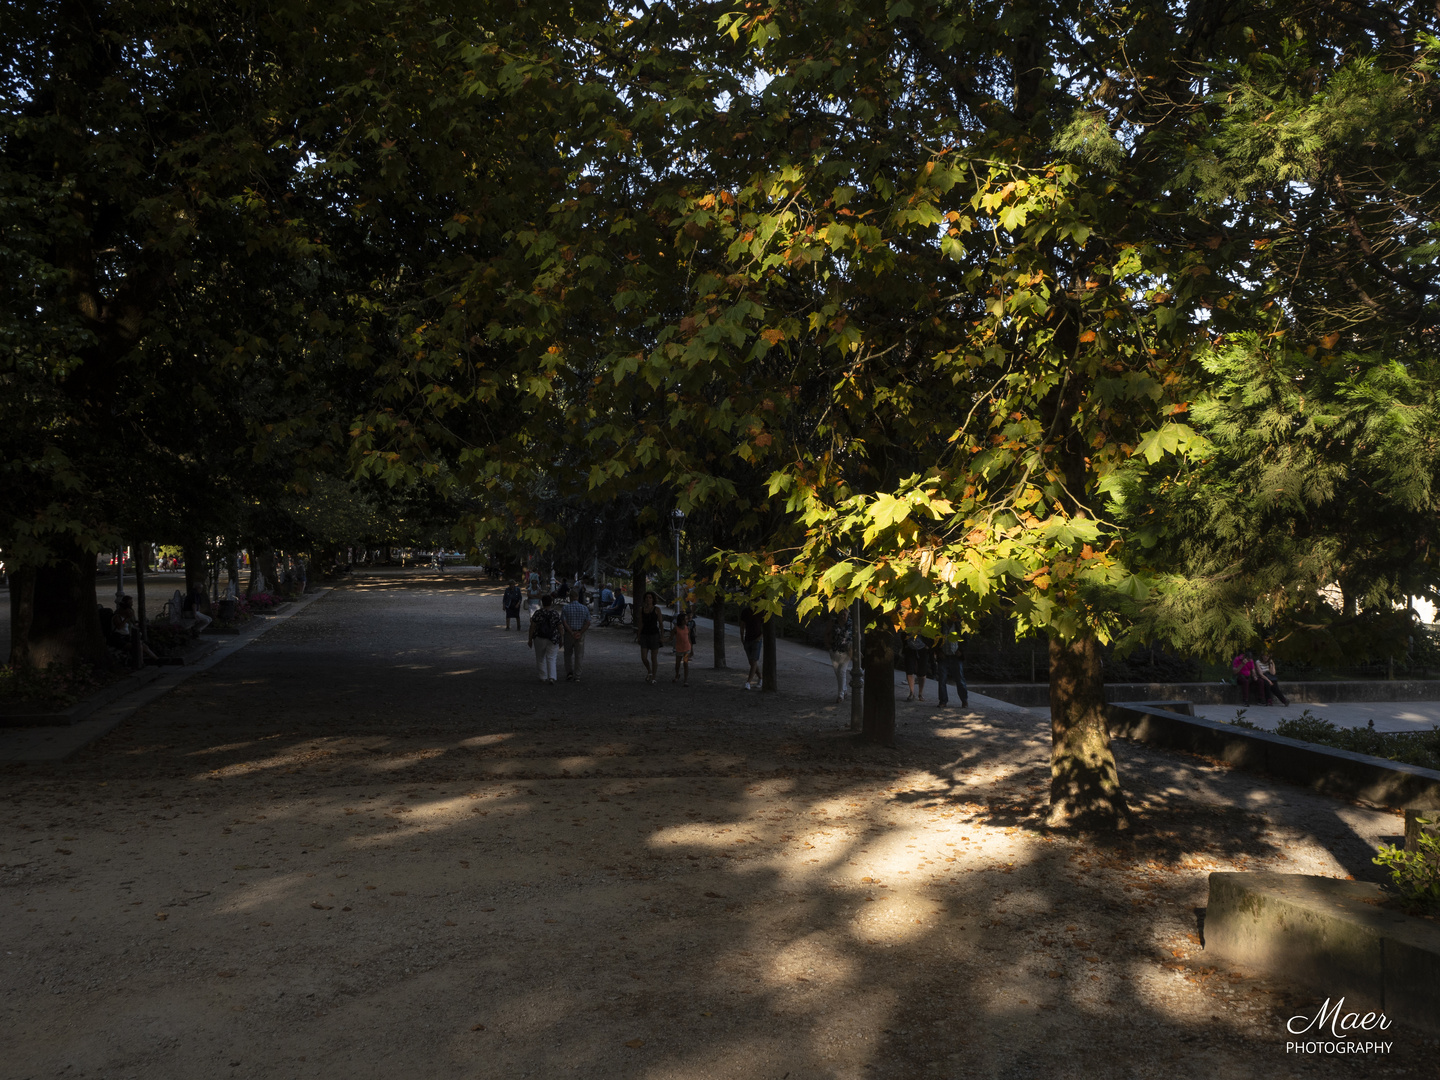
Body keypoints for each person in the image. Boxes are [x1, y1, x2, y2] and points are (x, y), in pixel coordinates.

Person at [112, 596, 159, 665]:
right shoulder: (117, 617)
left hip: (127, 638)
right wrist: (127, 618)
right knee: (138, 646)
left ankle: (157, 660)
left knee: (144, 646)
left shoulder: (128, 617)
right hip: (119, 639)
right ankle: (140, 663)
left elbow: (132, 623)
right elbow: (119, 627)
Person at [528, 594, 562, 684]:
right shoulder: (555, 613)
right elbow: (560, 627)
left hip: (539, 637)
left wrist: (530, 639)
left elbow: (532, 626)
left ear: (542, 603)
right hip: (552, 637)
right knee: (552, 657)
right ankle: (552, 677)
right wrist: (561, 638)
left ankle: (543, 676)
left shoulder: (538, 613)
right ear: (551, 602)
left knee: (540, 658)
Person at [933, 623, 969, 709]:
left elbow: (966, 639)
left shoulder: (959, 626)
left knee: (960, 679)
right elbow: (935, 639)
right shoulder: (940, 625)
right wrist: (938, 652)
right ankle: (943, 701)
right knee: (942, 680)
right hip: (944, 656)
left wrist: (961, 650)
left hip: (956, 656)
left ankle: (964, 700)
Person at [560, 592, 592, 681]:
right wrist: (580, 632)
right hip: (580, 633)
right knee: (579, 655)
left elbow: (564, 622)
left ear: (570, 597)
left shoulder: (565, 608)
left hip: (569, 634)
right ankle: (577, 675)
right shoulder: (584, 608)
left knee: (567, 654)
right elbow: (588, 622)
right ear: (577, 597)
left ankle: (569, 673)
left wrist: (571, 632)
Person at [825, 608, 854, 703]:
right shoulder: (833, 622)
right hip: (834, 651)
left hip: (846, 651)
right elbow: (827, 633)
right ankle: (844, 690)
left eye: (844, 614)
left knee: (841, 671)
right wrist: (828, 646)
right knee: (837, 672)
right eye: (841, 614)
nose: (842, 616)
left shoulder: (851, 624)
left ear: (848, 614)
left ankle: (840, 695)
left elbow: (857, 636)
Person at [637, 591, 663, 684]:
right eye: (647, 597)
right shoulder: (642, 609)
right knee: (644, 657)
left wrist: (662, 636)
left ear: (653, 599)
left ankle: (654, 677)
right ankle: (649, 670)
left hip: (654, 634)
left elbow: (660, 623)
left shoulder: (657, 609)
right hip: (644, 634)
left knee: (653, 657)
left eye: (650, 597)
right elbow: (640, 623)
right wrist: (638, 635)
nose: (648, 599)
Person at [739, 603, 765, 690]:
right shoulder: (746, 611)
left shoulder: (761, 611)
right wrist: (742, 637)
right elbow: (742, 625)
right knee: (752, 662)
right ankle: (761, 678)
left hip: (756, 639)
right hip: (748, 639)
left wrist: (760, 637)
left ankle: (748, 682)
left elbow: (765, 626)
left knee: (753, 661)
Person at [672, 610, 693, 684]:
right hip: (679, 649)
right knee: (677, 665)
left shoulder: (687, 628)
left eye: (687, 619)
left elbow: (689, 639)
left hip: (686, 649)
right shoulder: (676, 629)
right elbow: (670, 638)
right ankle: (677, 675)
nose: (686, 620)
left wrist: (692, 649)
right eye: (685, 619)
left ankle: (685, 680)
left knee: (685, 664)